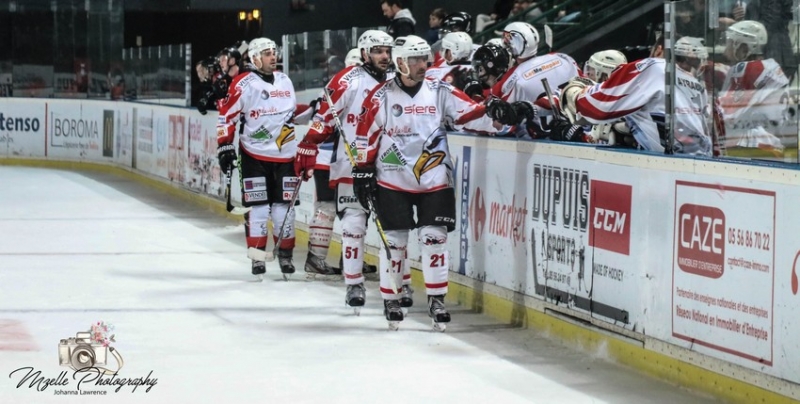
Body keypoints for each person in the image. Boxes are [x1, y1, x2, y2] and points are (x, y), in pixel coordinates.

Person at [352, 35, 503, 330]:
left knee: (434, 239)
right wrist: (362, 168)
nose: (424, 64)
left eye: (425, 58)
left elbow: (470, 113)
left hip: (435, 178)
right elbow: (366, 133)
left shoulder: (440, 90)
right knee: (395, 242)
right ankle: (392, 298)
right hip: (393, 179)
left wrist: (496, 115)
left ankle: (437, 299)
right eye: (416, 59)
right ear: (400, 62)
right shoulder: (381, 96)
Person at [294, 30, 395, 311]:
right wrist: (309, 143)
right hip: (352, 164)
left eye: (387, 51)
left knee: (395, 229)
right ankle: (353, 283)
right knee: (353, 225)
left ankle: (398, 281)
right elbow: (324, 117)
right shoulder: (347, 79)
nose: (384, 56)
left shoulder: (398, 79)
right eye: (378, 51)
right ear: (364, 53)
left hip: (391, 167)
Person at [216, 37, 300, 280]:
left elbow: (293, 113)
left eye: (274, 52)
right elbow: (226, 116)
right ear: (254, 58)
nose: (273, 57)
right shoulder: (243, 83)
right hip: (254, 156)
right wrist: (225, 147)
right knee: (259, 208)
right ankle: (257, 255)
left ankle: (285, 255)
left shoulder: (285, 80)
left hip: (286, 157)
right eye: (266, 53)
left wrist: (316, 110)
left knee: (285, 210)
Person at [559, 34, 712, 156]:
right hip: (702, 165)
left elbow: (596, 106)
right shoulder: (697, 85)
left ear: (658, 50)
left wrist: (574, 92)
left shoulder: (653, 67)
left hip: (665, 168)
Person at [489, 21, 581, 139]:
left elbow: (499, 120)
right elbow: (585, 86)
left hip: (541, 143)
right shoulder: (564, 58)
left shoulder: (514, 78)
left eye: (507, 42)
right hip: (579, 130)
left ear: (515, 45)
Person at [719, 20, 788, 153]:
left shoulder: (751, 69)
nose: (725, 50)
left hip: (759, 145)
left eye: (730, 43)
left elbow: (728, 116)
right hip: (771, 142)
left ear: (744, 48)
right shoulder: (765, 66)